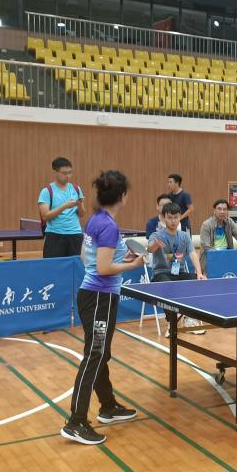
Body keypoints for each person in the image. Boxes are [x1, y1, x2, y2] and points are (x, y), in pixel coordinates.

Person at [62, 170, 145, 446]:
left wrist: (122, 257)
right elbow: (104, 268)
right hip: (99, 298)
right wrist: (133, 265)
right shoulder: (108, 226)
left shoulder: (96, 220)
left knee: (101, 353)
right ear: (122, 196)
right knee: (94, 355)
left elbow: (86, 257)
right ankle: (76, 422)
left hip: (95, 295)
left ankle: (108, 406)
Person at [38, 157, 86, 258]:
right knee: (54, 266)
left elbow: (82, 214)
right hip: (55, 235)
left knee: (76, 266)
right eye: (64, 173)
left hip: (75, 234)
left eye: (70, 173)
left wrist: (80, 205)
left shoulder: (76, 189)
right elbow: (45, 216)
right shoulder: (47, 191)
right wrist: (64, 207)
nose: (68, 176)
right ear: (55, 172)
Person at [147, 203, 207, 282]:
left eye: (176, 217)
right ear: (164, 218)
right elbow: (149, 250)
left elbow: (192, 254)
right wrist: (155, 244)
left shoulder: (185, 236)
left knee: (197, 279)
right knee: (167, 283)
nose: (173, 221)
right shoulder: (156, 235)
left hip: (179, 273)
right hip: (161, 274)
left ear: (180, 217)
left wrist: (199, 273)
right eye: (170, 218)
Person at [199, 199, 237, 273]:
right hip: (212, 256)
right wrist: (220, 254)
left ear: (227, 211)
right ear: (214, 211)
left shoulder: (229, 222)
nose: (222, 212)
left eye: (225, 209)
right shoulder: (206, 224)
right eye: (219, 209)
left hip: (227, 254)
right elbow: (205, 245)